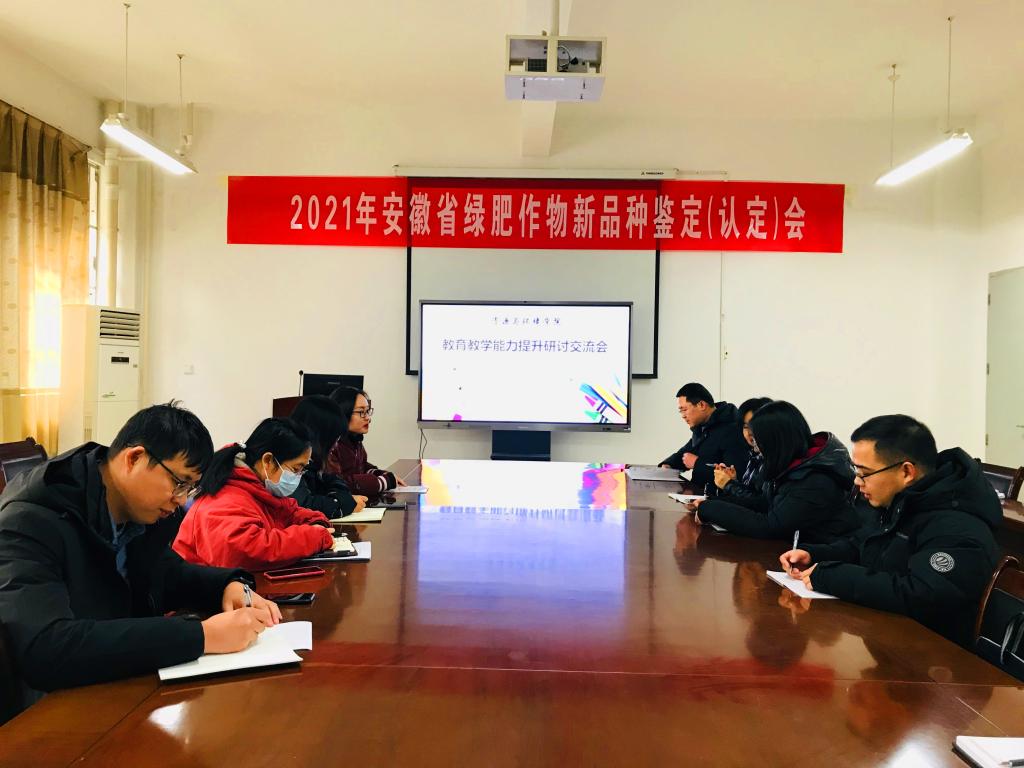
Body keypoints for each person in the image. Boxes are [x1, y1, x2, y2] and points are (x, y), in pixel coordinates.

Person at [0, 402, 282, 708]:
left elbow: (166, 574)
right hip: (50, 711)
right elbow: (47, 648)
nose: (181, 500)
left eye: (190, 488)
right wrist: (201, 636)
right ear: (134, 458)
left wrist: (225, 586)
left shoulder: (138, 510)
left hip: (119, 689)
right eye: (179, 483)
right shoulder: (29, 521)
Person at [779, 414, 1001, 646]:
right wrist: (815, 555)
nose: (857, 481)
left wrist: (832, 576)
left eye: (865, 473)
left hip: (934, 655)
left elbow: (922, 595)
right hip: (890, 637)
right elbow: (864, 545)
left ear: (906, 472)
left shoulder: (957, 526)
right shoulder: (903, 502)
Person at [173, 418, 336, 571]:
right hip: (203, 590)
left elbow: (289, 513)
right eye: (295, 469)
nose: (298, 477)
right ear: (268, 461)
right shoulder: (226, 496)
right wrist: (313, 538)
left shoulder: (259, 488)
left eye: (302, 470)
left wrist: (317, 523)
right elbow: (245, 550)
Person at [695, 400, 859, 543]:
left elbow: (771, 526)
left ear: (775, 442)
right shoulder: (792, 466)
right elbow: (765, 503)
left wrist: (709, 509)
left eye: (760, 443)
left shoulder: (815, 478)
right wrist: (712, 502)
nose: (757, 449)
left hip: (817, 558)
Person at [289, 395, 368, 519]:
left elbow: (333, 481)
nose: (335, 445)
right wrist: (343, 503)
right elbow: (304, 505)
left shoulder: (316, 460)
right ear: (321, 435)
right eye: (334, 438)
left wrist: (340, 498)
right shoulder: (292, 460)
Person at [660, 382, 749, 487]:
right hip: (699, 492)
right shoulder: (703, 427)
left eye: (684, 410)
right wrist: (668, 464)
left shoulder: (733, 429)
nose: (683, 416)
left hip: (718, 496)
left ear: (701, 405)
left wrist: (697, 464)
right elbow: (685, 453)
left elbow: (735, 474)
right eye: (681, 411)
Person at [326, 386, 405, 496]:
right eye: (361, 412)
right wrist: (382, 482)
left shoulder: (354, 439)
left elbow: (361, 467)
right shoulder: (329, 444)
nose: (367, 418)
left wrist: (380, 474)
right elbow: (339, 484)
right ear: (343, 413)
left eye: (367, 411)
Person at [712, 396, 772, 502]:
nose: (749, 433)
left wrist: (729, 484)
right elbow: (750, 495)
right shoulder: (754, 455)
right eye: (745, 427)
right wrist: (734, 481)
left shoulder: (773, 460)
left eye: (754, 426)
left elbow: (761, 503)